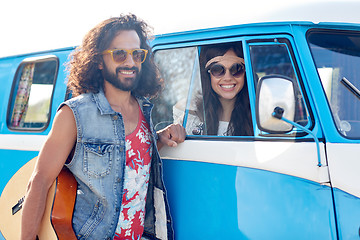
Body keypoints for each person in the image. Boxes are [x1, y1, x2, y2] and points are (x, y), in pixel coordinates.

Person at [20, 14, 185, 240]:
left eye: (137, 54)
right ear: (98, 60)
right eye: (119, 54)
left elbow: (126, 153)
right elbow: (39, 181)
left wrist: (160, 137)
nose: (130, 62)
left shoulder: (144, 109)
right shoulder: (74, 114)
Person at [174, 42, 253, 136]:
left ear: (245, 72)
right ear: (208, 75)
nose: (228, 78)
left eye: (236, 69)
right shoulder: (191, 115)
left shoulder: (259, 114)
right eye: (218, 70)